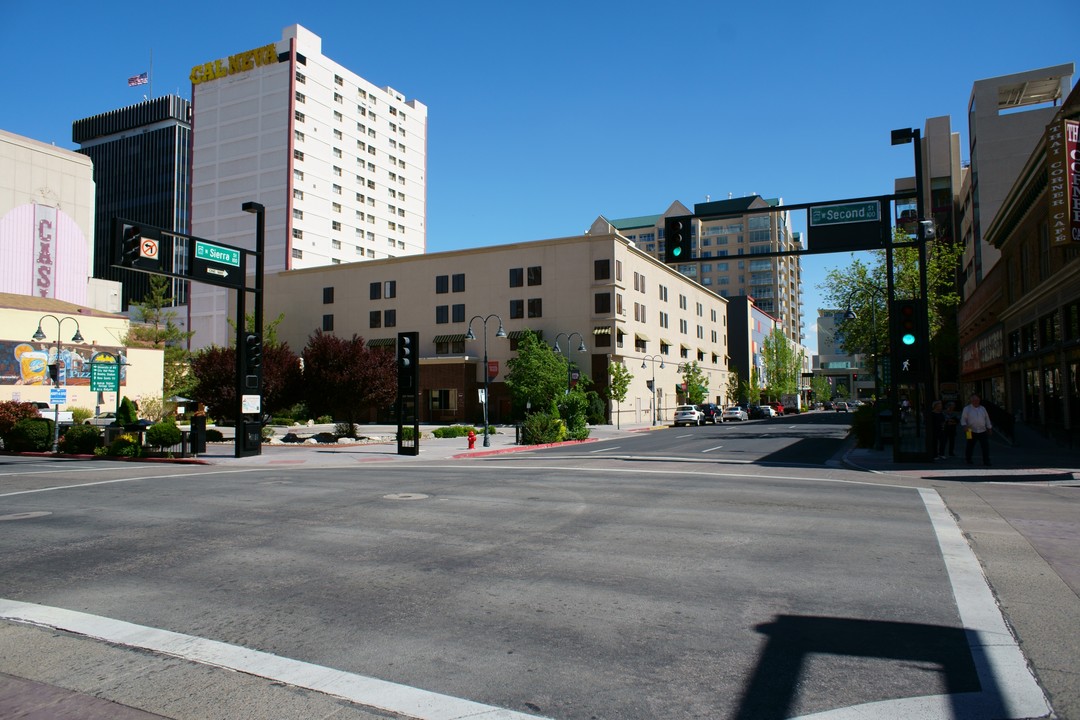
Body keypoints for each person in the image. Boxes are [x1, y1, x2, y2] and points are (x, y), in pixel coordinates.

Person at [960, 393, 992, 465]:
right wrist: (964, 426)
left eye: (977, 400)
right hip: (970, 430)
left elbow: (987, 418)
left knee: (985, 446)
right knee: (970, 446)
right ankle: (968, 459)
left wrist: (989, 428)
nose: (975, 401)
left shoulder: (983, 408)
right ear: (971, 400)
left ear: (979, 400)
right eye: (974, 400)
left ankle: (986, 461)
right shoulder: (967, 408)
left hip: (982, 430)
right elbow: (963, 419)